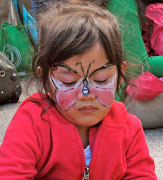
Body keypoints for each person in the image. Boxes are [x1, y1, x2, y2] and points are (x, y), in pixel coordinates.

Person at [0, 2, 157, 179]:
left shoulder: (129, 129)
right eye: (68, 82)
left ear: (120, 75)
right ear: (45, 79)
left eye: (101, 79)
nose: (85, 94)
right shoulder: (30, 123)